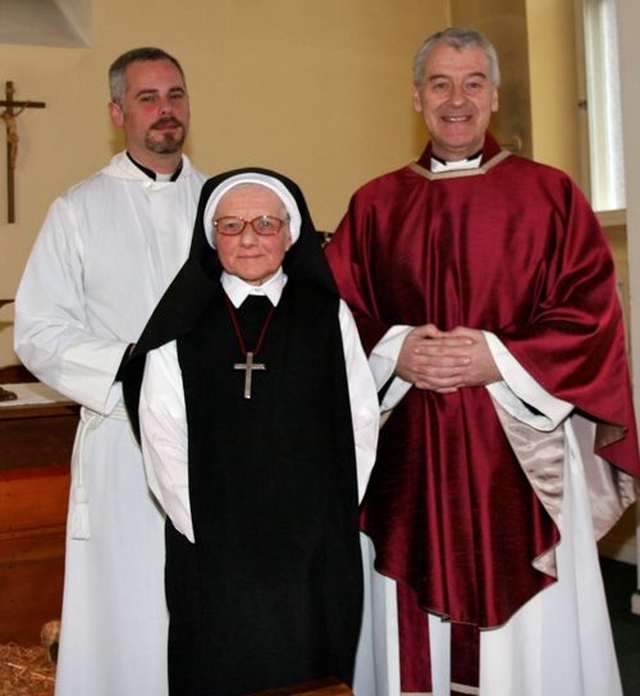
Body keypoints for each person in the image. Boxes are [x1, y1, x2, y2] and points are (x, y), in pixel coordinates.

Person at [325, 26, 640, 696]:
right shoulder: (376, 205)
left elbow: (591, 313)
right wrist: (397, 350)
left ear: (495, 95)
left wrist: (496, 357)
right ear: (415, 97)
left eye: (473, 83)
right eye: (440, 84)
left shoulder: (550, 195)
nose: (457, 99)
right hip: (409, 455)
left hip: (520, 455)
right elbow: (334, 312)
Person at [121, 167, 379, 695]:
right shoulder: (182, 319)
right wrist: (204, 528)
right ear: (212, 237)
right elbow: (162, 431)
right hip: (214, 546)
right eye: (232, 225)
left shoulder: (328, 315)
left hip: (312, 545)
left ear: (291, 232)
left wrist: (332, 515)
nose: (249, 238)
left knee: (312, 672)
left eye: (265, 223)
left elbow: (361, 420)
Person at [13, 47, 207, 696]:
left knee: (206, 610)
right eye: (148, 98)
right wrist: (132, 367)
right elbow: (39, 331)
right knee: (128, 613)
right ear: (117, 112)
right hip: (122, 439)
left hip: (216, 445)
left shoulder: (224, 208)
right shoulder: (79, 210)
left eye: (175, 95)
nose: (165, 110)